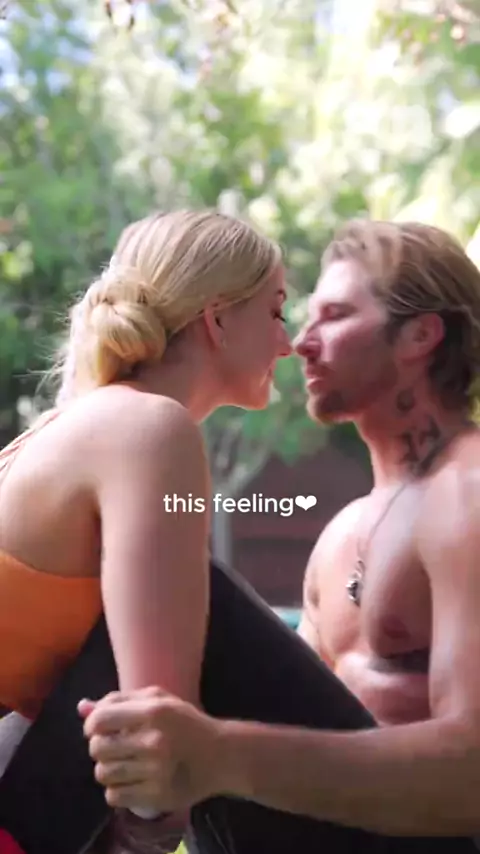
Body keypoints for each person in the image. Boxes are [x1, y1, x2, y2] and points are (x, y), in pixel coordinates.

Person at [82, 219, 480, 842]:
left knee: (194, 591)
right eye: (300, 317)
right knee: (128, 591)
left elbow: (472, 776)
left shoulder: (467, 494)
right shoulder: (340, 536)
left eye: (335, 316)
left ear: (420, 335)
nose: (301, 344)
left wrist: (219, 754)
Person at [0, 209, 291, 845]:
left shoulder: (69, 429)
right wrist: (158, 809)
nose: (288, 343)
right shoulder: (150, 428)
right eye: (276, 313)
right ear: (218, 319)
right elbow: (158, 730)